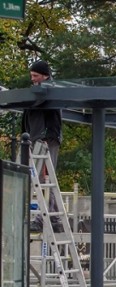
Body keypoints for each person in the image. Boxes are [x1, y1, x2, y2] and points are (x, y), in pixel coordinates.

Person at [23, 60, 63, 232]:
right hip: (38, 138)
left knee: (44, 179)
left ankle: (43, 219)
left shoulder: (48, 90)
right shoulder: (39, 92)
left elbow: (40, 109)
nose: (33, 79)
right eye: (31, 76)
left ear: (45, 76)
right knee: (44, 179)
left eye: (36, 76)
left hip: (45, 140)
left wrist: (46, 137)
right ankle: (54, 219)